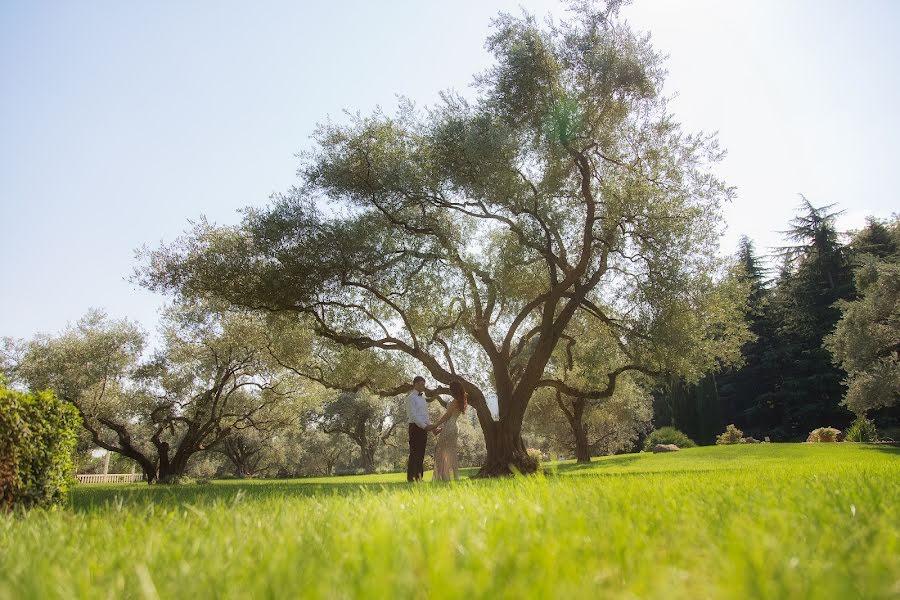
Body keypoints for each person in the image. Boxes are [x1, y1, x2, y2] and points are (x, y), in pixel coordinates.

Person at [432, 379, 468, 482]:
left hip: (450, 426)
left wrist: (435, 425)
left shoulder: (455, 401)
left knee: (440, 451)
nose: (449, 391)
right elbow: (451, 418)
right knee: (450, 451)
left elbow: (447, 416)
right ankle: (451, 477)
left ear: (454, 390)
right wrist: (442, 428)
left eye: (450, 389)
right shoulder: (460, 400)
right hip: (454, 426)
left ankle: (442, 477)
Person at [405, 376, 436, 482]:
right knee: (414, 453)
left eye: (424, 384)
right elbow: (413, 416)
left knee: (421, 453)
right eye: (421, 384)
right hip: (415, 427)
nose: (423, 386)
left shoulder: (422, 398)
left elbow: (425, 415)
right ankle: (411, 478)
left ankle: (419, 477)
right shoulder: (410, 398)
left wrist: (431, 427)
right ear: (415, 384)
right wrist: (424, 426)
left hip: (423, 427)